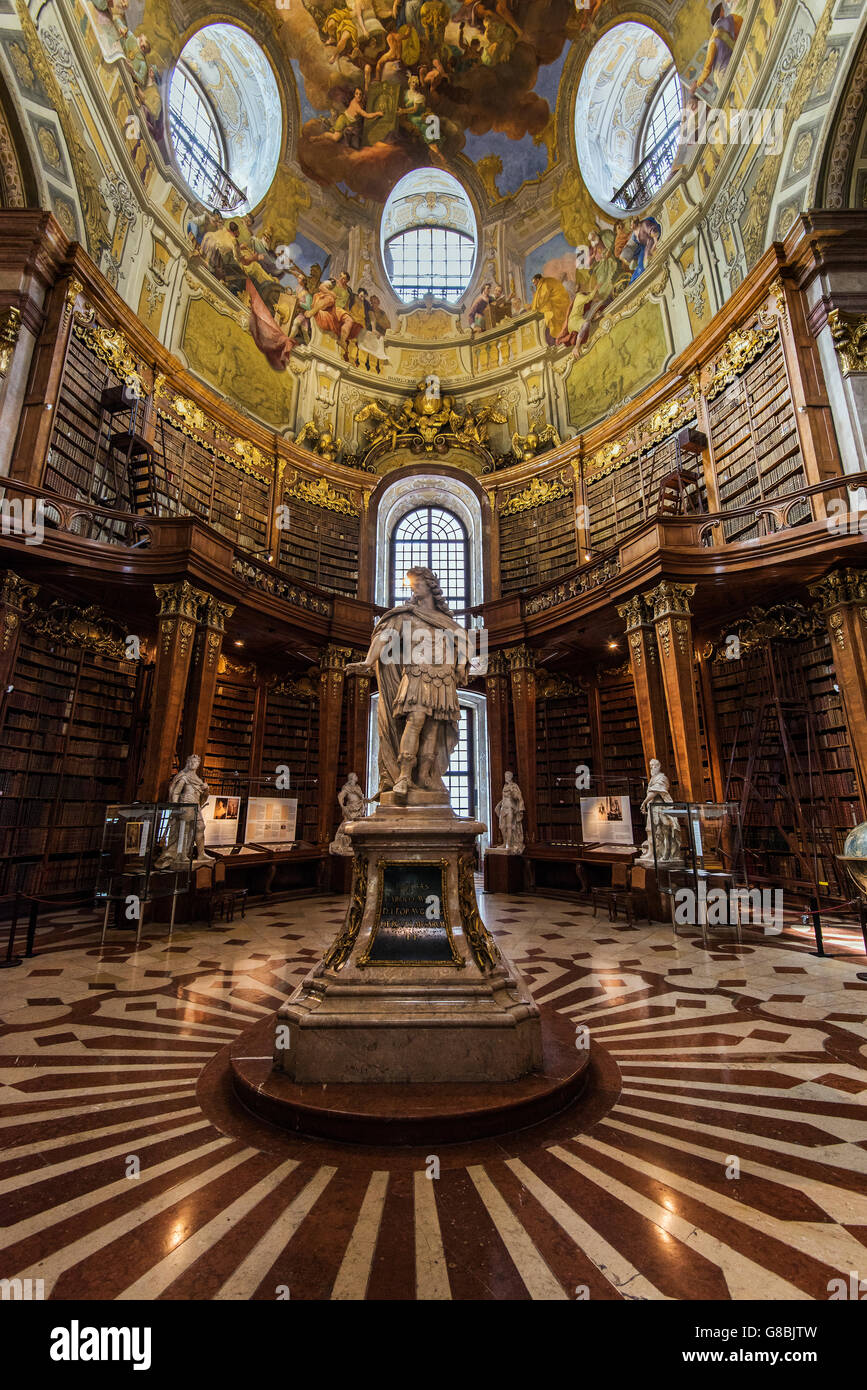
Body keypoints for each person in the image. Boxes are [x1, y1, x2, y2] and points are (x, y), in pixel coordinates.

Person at [345, 567, 473, 803]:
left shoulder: (446, 621)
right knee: (415, 721)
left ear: (430, 586)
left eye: (417, 584)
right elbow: (383, 637)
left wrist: (460, 665)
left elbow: (466, 643)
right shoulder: (404, 616)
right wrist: (368, 661)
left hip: (443, 678)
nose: (413, 588)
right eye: (411, 585)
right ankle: (404, 776)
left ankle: (424, 777)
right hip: (417, 673)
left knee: (434, 728)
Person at [155, 754, 211, 866]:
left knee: (200, 827)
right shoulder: (183, 776)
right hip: (185, 805)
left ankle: (201, 853)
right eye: (191, 761)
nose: (193, 764)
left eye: (195, 762)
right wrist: (176, 807)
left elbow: (202, 796)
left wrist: (206, 789)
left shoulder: (198, 780)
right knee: (184, 830)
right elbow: (175, 792)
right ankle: (182, 854)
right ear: (188, 763)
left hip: (196, 807)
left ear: (198, 764)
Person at [690, 4, 744, 100]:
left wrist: (697, 84)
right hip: (737, 63)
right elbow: (741, 26)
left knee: (736, 99)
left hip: (723, 76)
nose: (724, 12)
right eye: (723, 10)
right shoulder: (731, 20)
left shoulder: (713, 40)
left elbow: (707, 68)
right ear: (721, 14)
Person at [638, 759, 681, 864]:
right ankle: (652, 853)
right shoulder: (653, 779)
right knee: (650, 830)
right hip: (653, 808)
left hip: (661, 809)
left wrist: (644, 802)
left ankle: (666, 853)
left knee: (665, 831)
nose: (652, 768)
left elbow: (654, 792)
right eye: (650, 766)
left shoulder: (662, 778)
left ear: (659, 766)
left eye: (653, 765)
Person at [329, 773, 371, 854]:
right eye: (355, 776)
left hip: (359, 809)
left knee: (357, 826)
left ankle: (354, 843)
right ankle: (341, 842)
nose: (357, 777)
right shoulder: (347, 788)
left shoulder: (358, 787)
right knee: (347, 825)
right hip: (351, 809)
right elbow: (340, 796)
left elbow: (361, 798)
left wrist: (367, 800)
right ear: (352, 778)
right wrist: (342, 806)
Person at [495, 772, 525, 854]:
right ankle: (504, 843)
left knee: (509, 826)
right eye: (505, 776)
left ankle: (508, 843)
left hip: (510, 808)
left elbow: (517, 797)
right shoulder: (505, 786)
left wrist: (512, 791)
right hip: (503, 808)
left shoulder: (514, 786)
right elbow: (504, 798)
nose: (505, 777)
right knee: (502, 826)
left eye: (507, 776)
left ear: (510, 777)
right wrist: (499, 805)